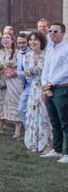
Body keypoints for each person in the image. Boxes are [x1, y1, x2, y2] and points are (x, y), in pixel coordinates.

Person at [40, 22, 68, 163]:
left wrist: (51, 82)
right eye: (50, 31)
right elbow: (45, 68)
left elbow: (66, 70)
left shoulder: (66, 49)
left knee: (65, 121)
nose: (51, 33)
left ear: (62, 33)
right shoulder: (50, 49)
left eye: (55, 31)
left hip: (62, 88)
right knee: (54, 121)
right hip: (49, 88)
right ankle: (57, 150)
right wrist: (44, 83)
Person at [23, 31, 52, 154]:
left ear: (41, 42)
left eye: (35, 40)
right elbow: (27, 74)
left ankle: (47, 144)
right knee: (32, 115)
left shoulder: (47, 55)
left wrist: (45, 89)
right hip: (34, 88)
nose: (32, 42)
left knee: (45, 115)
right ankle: (34, 142)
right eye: (30, 40)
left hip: (45, 87)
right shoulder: (27, 56)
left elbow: (50, 72)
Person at [0, 32, 24, 139]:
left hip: (14, 81)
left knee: (14, 103)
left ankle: (17, 131)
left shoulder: (18, 53)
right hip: (1, 81)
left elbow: (21, 68)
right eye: (3, 38)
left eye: (7, 38)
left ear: (12, 40)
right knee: (0, 103)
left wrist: (10, 67)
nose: (5, 40)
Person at [13, 32, 32, 126]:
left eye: (23, 42)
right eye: (19, 43)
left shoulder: (32, 53)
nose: (21, 45)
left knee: (24, 108)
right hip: (24, 84)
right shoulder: (19, 54)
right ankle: (28, 130)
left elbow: (28, 72)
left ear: (28, 42)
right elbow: (20, 71)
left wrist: (14, 73)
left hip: (33, 84)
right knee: (22, 108)